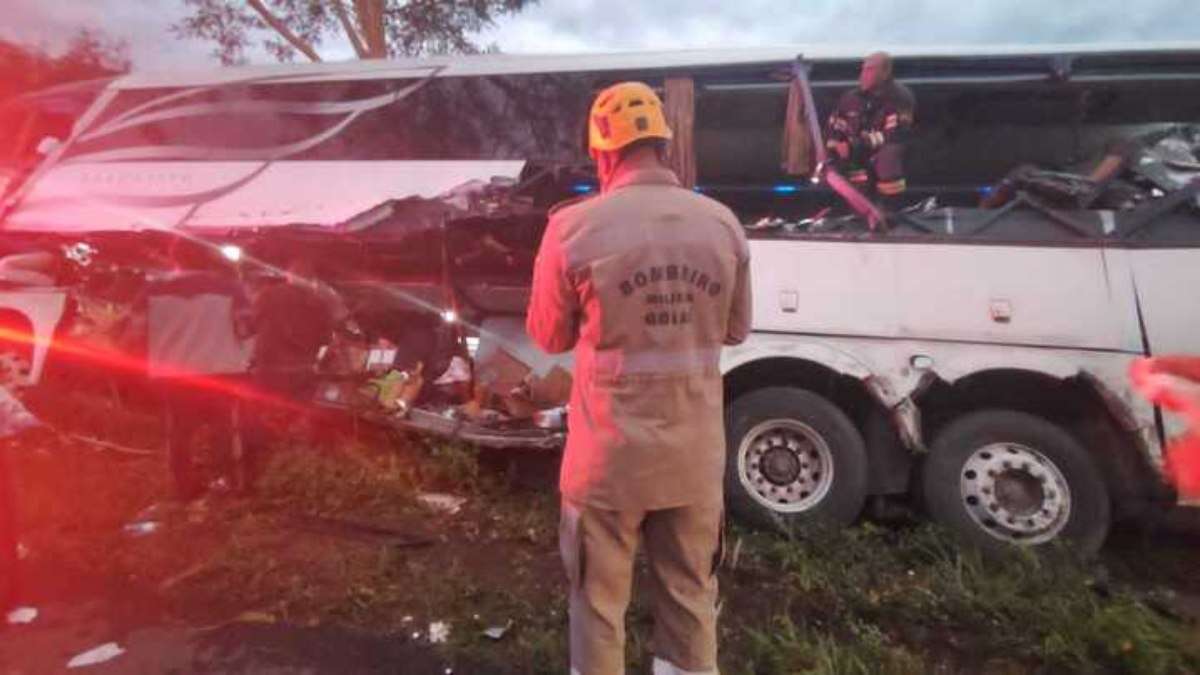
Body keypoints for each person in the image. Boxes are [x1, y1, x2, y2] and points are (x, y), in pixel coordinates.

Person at [527, 81, 752, 675]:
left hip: (607, 463)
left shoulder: (571, 228)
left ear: (602, 153)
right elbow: (736, 331)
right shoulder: (723, 224)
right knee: (690, 601)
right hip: (692, 459)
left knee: (599, 608)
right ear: (664, 145)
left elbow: (548, 337)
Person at [141, 236, 253, 500]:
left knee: (179, 430)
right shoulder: (229, 288)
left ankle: (182, 487)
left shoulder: (154, 289)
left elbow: (135, 329)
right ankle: (225, 482)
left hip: (172, 372)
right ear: (209, 257)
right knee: (224, 429)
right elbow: (246, 328)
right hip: (220, 369)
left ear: (174, 258)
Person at [825, 51, 916, 209]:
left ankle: (891, 210)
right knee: (830, 164)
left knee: (889, 155)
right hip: (856, 156)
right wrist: (833, 148)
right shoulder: (849, 98)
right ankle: (855, 208)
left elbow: (893, 134)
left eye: (870, 70)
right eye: (863, 69)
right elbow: (834, 128)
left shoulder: (900, 97)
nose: (863, 75)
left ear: (885, 72)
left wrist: (854, 146)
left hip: (883, 153)